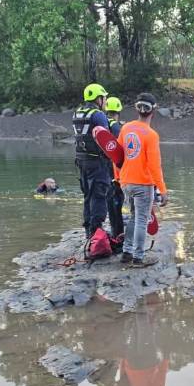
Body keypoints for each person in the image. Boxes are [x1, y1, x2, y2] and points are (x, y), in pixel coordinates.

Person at [117, 93, 168, 267]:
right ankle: (138, 258)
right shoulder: (151, 135)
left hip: (126, 182)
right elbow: (154, 166)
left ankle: (126, 252)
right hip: (143, 184)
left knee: (133, 217)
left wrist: (118, 177)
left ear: (137, 109)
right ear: (153, 110)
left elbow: (117, 156)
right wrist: (162, 190)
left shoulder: (126, 128)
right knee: (141, 219)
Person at [73, 83, 113, 238]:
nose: (105, 101)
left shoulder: (77, 113)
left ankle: (88, 231)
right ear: (99, 98)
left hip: (82, 162)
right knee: (98, 195)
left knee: (88, 195)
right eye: (104, 98)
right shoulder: (98, 115)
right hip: (97, 162)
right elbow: (107, 140)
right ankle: (97, 232)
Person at [105, 97, 125, 246]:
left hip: (103, 168)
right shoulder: (116, 126)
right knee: (117, 202)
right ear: (118, 111)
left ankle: (114, 233)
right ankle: (119, 235)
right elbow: (121, 150)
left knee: (110, 201)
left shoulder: (102, 124)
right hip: (116, 170)